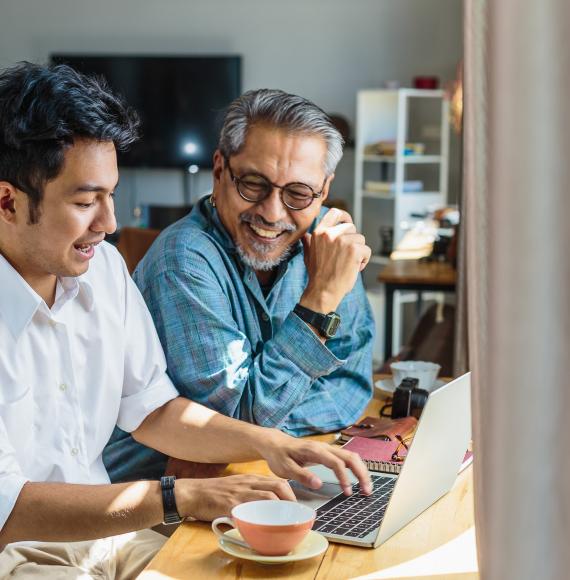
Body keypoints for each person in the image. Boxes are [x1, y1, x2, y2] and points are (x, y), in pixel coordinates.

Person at [0, 62, 370, 578]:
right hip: (18, 552)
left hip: (106, 537)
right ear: (6, 201)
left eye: (110, 195)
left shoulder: (101, 269)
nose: (109, 225)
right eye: (86, 202)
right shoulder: (180, 258)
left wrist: (273, 444)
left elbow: (154, 411)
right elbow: (9, 511)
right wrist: (184, 497)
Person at [105, 89, 374, 483]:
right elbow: (240, 416)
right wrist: (320, 299)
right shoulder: (183, 257)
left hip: (259, 472)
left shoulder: (331, 245)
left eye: (298, 193)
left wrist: (259, 439)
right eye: (253, 184)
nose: (272, 212)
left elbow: (351, 385)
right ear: (219, 171)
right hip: (159, 500)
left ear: (324, 191)